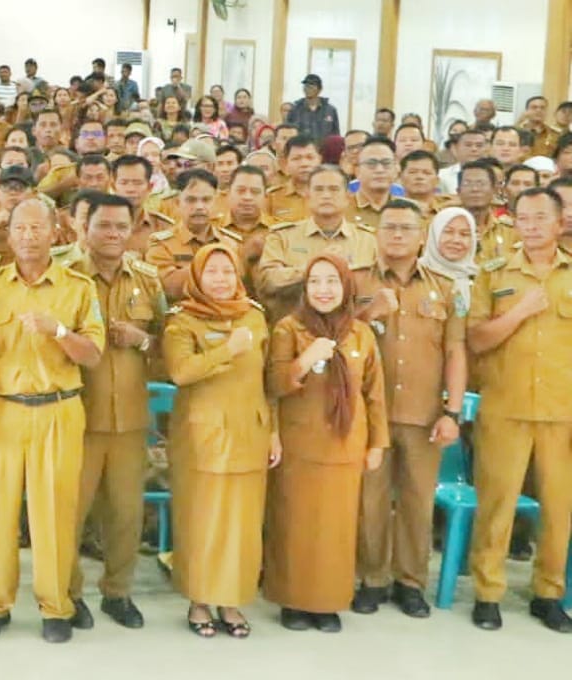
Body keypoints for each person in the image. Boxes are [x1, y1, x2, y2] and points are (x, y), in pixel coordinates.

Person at [0, 196, 103, 643]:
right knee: (0, 511)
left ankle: (55, 606)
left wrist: (59, 331)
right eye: (19, 228)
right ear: (9, 234)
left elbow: (94, 354)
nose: (27, 236)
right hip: (2, 409)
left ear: (54, 233)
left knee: (54, 513)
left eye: (36, 228)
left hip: (59, 410)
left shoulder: (78, 288)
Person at [351, 199, 467, 618]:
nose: (397, 234)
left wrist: (452, 412)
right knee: (371, 500)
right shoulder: (355, 281)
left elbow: (455, 352)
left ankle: (410, 582)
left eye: (406, 228)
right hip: (369, 415)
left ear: (422, 236)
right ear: (376, 234)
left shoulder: (445, 288)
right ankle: (372, 578)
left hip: (422, 415)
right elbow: (335, 333)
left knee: (418, 502)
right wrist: (369, 312)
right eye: (389, 227)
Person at [465, 187, 572, 632]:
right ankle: (488, 593)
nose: (531, 226)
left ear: (559, 221)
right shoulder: (493, 272)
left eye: (540, 217)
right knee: (497, 504)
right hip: (505, 407)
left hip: (562, 411)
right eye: (522, 218)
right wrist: (521, 313)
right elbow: (477, 339)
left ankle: (547, 593)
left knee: (558, 508)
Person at [265, 253, 389, 632]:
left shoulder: (360, 333)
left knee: (337, 529)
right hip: (299, 445)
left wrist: (376, 444)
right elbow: (272, 385)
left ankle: (328, 603)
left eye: (332, 281)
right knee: (295, 525)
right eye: (315, 281)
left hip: (345, 447)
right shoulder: (289, 328)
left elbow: (375, 394)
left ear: (346, 287)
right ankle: (293, 601)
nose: (323, 290)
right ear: (304, 288)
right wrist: (304, 361)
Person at [162, 243, 275, 638]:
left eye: (228, 271)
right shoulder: (181, 320)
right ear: (197, 276)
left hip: (251, 432)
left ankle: (232, 601)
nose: (222, 279)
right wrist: (227, 348)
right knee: (201, 520)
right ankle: (198, 601)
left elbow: (267, 380)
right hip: (202, 436)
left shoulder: (255, 316)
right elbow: (181, 371)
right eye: (212, 272)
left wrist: (273, 430)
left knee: (242, 524)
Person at [64, 192, 164, 630]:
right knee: (70, 511)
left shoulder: (148, 280)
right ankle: (67, 594)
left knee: (126, 513)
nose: (112, 235)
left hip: (129, 418)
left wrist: (141, 340)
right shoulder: (64, 276)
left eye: (121, 227)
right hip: (76, 417)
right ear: (84, 227)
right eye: (103, 225)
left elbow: (168, 345)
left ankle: (117, 592)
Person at [256, 167, 377, 319]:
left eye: (333, 189)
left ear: (348, 197)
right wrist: (314, 266)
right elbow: (267, 282)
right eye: (319, 189)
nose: (326, 195)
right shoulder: (283, 236)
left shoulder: (367, 240)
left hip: (352, 331)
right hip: (296, 330)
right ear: (307, 196)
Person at [147, 169, 241, 300]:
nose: (199, 207)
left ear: (215, 202)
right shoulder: (161, 244)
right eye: (191, 200)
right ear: (178, 203)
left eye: (206, 200)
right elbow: (166, 287)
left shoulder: (229, 244)